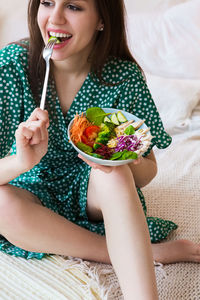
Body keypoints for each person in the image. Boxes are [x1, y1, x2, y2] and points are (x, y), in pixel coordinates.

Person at [0, 0, 199, 299]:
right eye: (47, 2)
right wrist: (20, 161)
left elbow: (148, 170)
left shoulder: (124, 78)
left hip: (94, 191)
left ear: (101, 20)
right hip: (30, 188)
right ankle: (147, 251)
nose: (55, 18)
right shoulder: (10, 66)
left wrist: (125, 160)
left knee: (116, 176)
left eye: (73, 7)